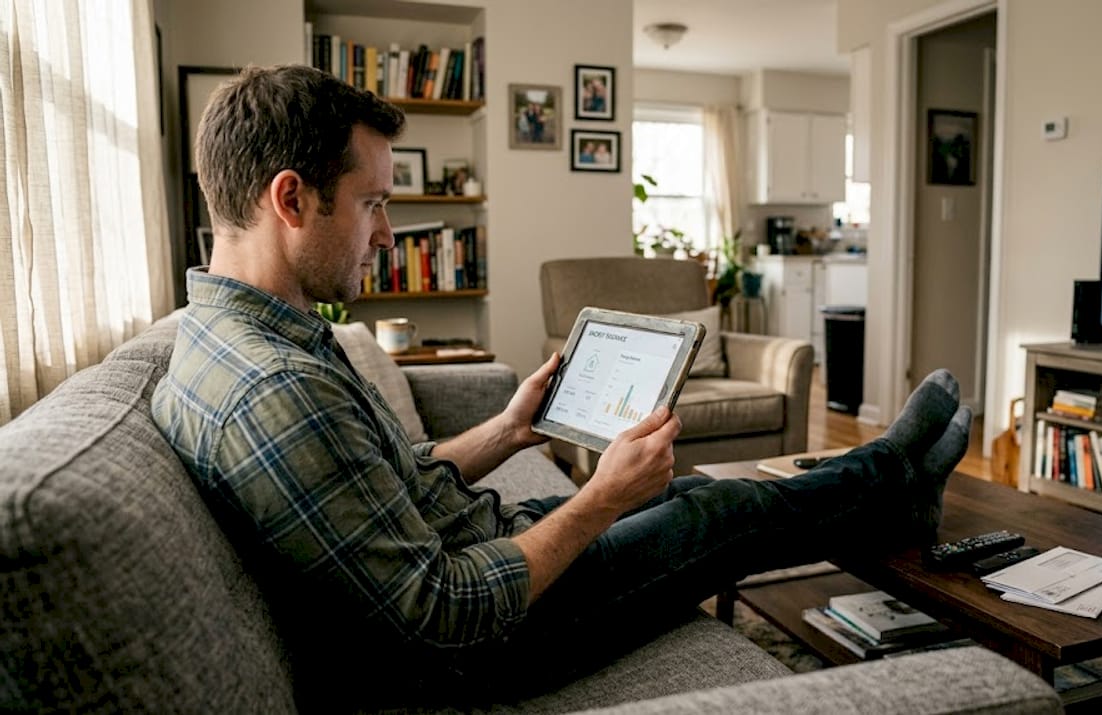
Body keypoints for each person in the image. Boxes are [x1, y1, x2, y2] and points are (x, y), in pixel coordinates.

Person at [152, 64, 972, 709]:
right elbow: (442, 614)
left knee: (678, 489)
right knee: (715, 508)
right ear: (291, 198)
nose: (386, 234)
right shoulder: (273, 386)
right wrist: (599, 500)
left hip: (473, 548)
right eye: (371, 204)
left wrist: (509, 430)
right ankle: (895, 475)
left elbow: (386, 485)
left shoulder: (241, 336)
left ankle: (892, 491)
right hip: (497, 639)